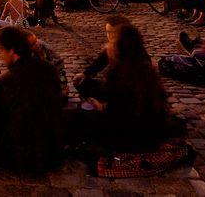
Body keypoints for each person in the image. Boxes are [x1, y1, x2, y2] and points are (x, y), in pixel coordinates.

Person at [69, 23, 169, 153]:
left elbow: (118, 112)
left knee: (82, 115)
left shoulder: (118, 73)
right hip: (151, 131)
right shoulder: (145, 67)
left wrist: (100, 106)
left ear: (118, 47)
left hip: (129, 135)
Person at [0, 26, 63, 174]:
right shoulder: (49, 69)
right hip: (53, 150)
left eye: (1, 51)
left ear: (11, 51)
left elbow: (0, 120)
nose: (1, 56)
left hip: (21, 156)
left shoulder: (5, 81)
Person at [73, 15, 132, 100]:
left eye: (113, 33)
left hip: (125, 93)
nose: (109, 36)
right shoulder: (113, 47)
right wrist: (85, 74)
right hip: (115, 87)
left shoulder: (132, 51)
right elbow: (100, 62)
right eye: (108, 32)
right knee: (80, 82)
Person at [23, 30, 67, 97]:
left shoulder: (45, 49)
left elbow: (57, 67)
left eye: (36, 40)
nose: (37, 44)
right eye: (33, 44)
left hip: (54, 73)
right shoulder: (23, 52)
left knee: (62, 98)